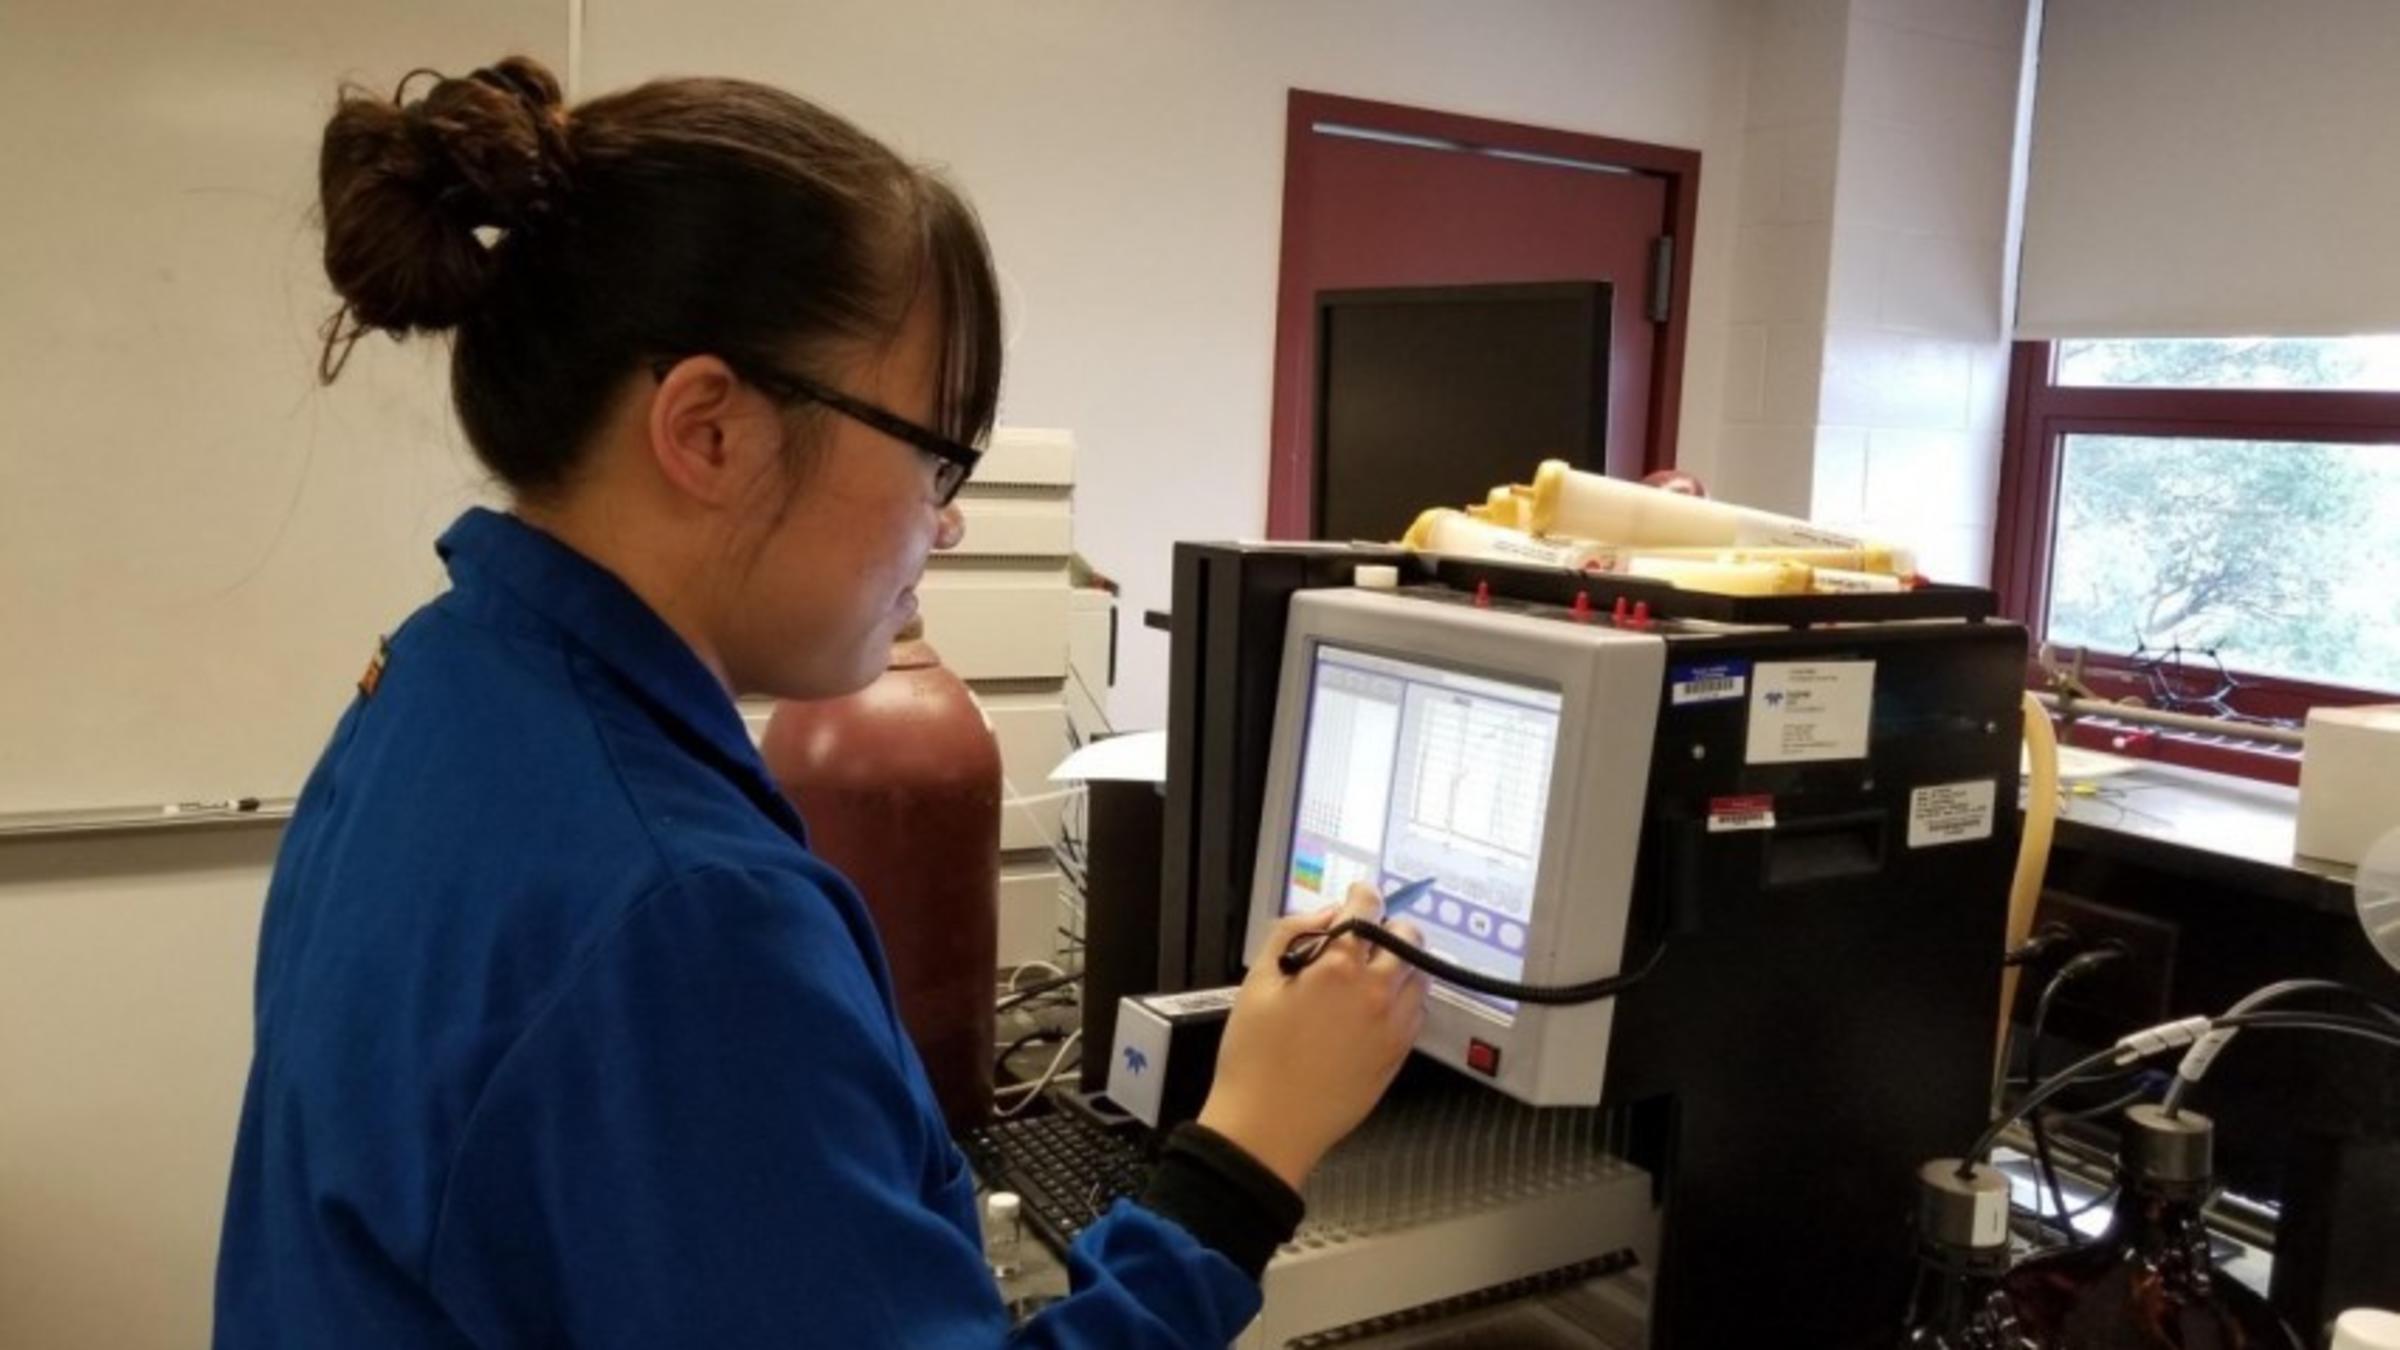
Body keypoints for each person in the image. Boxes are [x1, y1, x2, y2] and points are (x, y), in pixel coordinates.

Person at [211, 56, 1428, 1349]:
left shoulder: (437, 682)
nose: (945, 519)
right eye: (932, 453)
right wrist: (1249, 1144)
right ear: (710, 431)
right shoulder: (681, 915)